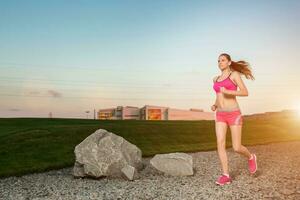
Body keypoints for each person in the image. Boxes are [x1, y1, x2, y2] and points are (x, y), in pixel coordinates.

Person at [212, 53, 257, 186]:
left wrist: (229, 91)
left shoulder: (234, 75)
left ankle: (251, 157)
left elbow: (244, 92)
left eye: (223, 60)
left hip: (234, 114)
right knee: (220, 143)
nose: (220, 62)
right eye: (218, 60)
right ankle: (226, 175)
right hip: (220, 114)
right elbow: (218, 95)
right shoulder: (215, 79)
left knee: (236, 147)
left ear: (229, 62)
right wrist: (215, 104)